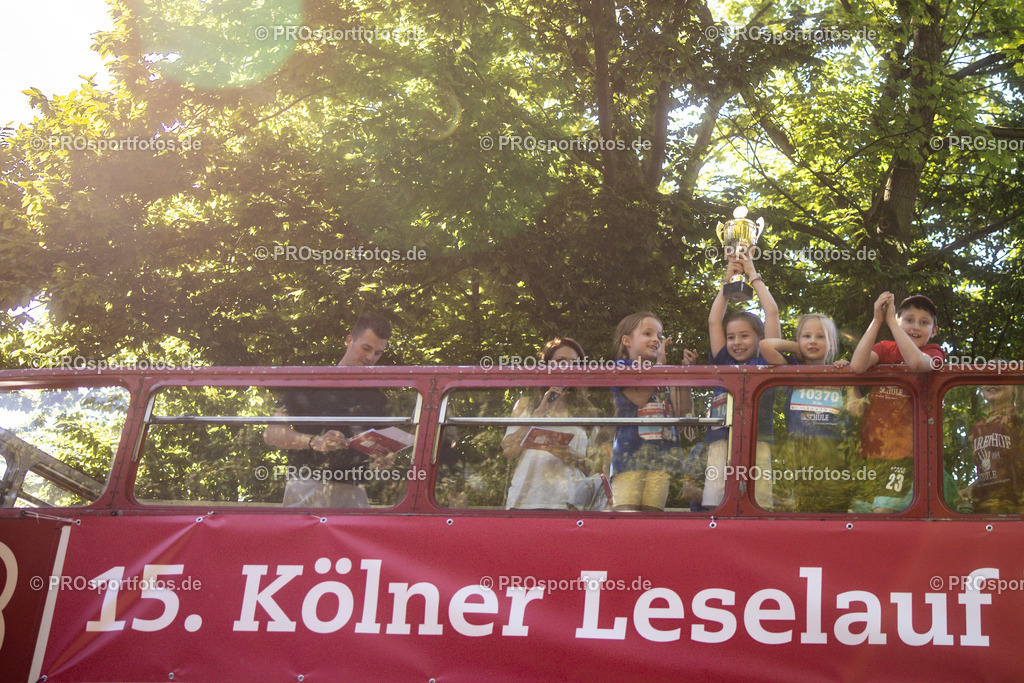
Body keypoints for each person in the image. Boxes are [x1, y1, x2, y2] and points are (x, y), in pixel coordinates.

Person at [263, 313, 396, 508]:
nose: (370, 358)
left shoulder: (378, 399)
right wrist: (314, 442)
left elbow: (388, 451)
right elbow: (272, 433)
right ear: (349, 341)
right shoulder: (307, 383)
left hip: (354, 489)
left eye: (377, 353)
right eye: (366, 348)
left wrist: (385, 459)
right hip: (307, 484)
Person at [849, 292, 944, 512]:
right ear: (900, 320)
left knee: (884, 513)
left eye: (924, 323)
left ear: (934, 331)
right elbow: (857, 366)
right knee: (858, 515)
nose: (915, 327)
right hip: (870, 453)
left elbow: (917, 363)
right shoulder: (885, 348)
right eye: (909, 320)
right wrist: (877, 320)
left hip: (905, 453)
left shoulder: (934, 351)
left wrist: (892, 322)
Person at [702, 252, 780, 509]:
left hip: (758, 441)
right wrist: (728, 278)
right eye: (731, 336)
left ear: (759, 339)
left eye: (744, 336)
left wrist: (752, 274)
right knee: (715, 503)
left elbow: (771, 313)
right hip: (719, 441)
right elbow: (714, 320)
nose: (736, 342)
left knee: (758, 501)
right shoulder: (724, 360)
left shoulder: (766, 361)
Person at [761, 314, 853, 511]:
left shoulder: (839, 373)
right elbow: (766, 346)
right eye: (806, 336)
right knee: (803, 511)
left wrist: (846, 370)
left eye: (821, 337)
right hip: (801, 456)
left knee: (835, 512)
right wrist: (798, 349)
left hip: (834, 457)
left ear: (832, 344)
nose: (813, 341)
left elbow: (854, 409)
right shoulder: (793, 370)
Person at [609, 312, 697, 512]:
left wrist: (685, 376)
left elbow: (682, 412)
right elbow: (639, 399)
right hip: (630, 456)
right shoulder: (623, 366)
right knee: (626, 515)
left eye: (659, 335)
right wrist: (659, 367)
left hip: (661, 460)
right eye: (648, 333)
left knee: (652, 518)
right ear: (627, 341)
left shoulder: (662, 374)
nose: (656, 339)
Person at [501, 338, 603, 510]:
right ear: (546, 366)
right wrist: (539, 413)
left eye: (574, 364)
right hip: (526, 500)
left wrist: (571, 455)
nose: (567, 368)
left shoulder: (587, 411)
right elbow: (509, 452)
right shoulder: (526, 404)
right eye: (560, 362)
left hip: (569, 502)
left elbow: (598, 470)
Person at [958, 384, 1024, 514]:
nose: (992, 383)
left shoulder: (1017, 420)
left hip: (1015, 511)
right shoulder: (978, 427)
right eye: (987, 379)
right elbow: (991, 470)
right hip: (983, 510)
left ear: (1015, 389)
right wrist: (971, 488)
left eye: (1000, 379)